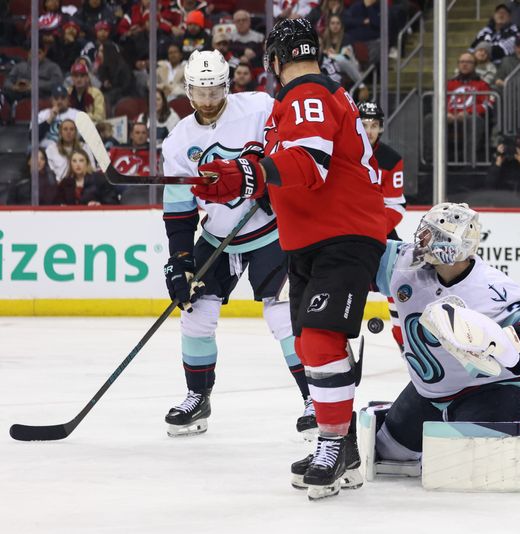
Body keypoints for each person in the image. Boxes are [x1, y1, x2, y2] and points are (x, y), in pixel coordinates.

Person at [191, 18, 386, 500]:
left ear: (274, 62)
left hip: (339, 235)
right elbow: (275, 158)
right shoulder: (296, 104)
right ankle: (345, 452)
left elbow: (307, 165)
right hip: (312, 239)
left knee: (319, 341)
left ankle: (331, 443)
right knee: (313, 345)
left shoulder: (308, 95)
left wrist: (246, 178)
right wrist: (236, 172)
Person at [159, 50, 316, 440]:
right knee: (195, 311)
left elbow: (288, 146)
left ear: (227, 87)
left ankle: (314, 397)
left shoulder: (260, 108)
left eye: (214, 92)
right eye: (200, 92)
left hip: (271, 232)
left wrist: (272, 184)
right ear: (188, 90)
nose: (208, 101)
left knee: (282, 315)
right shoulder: (179, 142)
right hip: (217, 237)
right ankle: (198, 396)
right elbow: (179, 212)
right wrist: (180, 259)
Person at [370, 202, 520, 470]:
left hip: (494, 390)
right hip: (430, 392)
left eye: (432, 234)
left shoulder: (493, 289)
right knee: (389, 454)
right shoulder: (404, 262)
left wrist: (501, 343)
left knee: (473, 466)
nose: (421, 239)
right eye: (424, 230)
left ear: (451, 246)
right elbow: (358, 256)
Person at [359, 101, 406, 350]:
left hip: (380, 233)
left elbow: (396, 206)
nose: (369, 131)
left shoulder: (390, 159)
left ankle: (405, 342)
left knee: (398, 287)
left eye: (374, 125)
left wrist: (373, 229)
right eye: (364, 124)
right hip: (349, 232)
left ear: (381, 128)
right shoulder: (340, 153)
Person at [54, 148, 119, 206]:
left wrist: (100, 204)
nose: (78, 164)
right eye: (74, 161)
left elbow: (113, 201)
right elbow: (57, 202)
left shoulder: (99, 179)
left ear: (87, 163)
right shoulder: (65, 182)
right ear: (70, 164)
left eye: (81, 160)